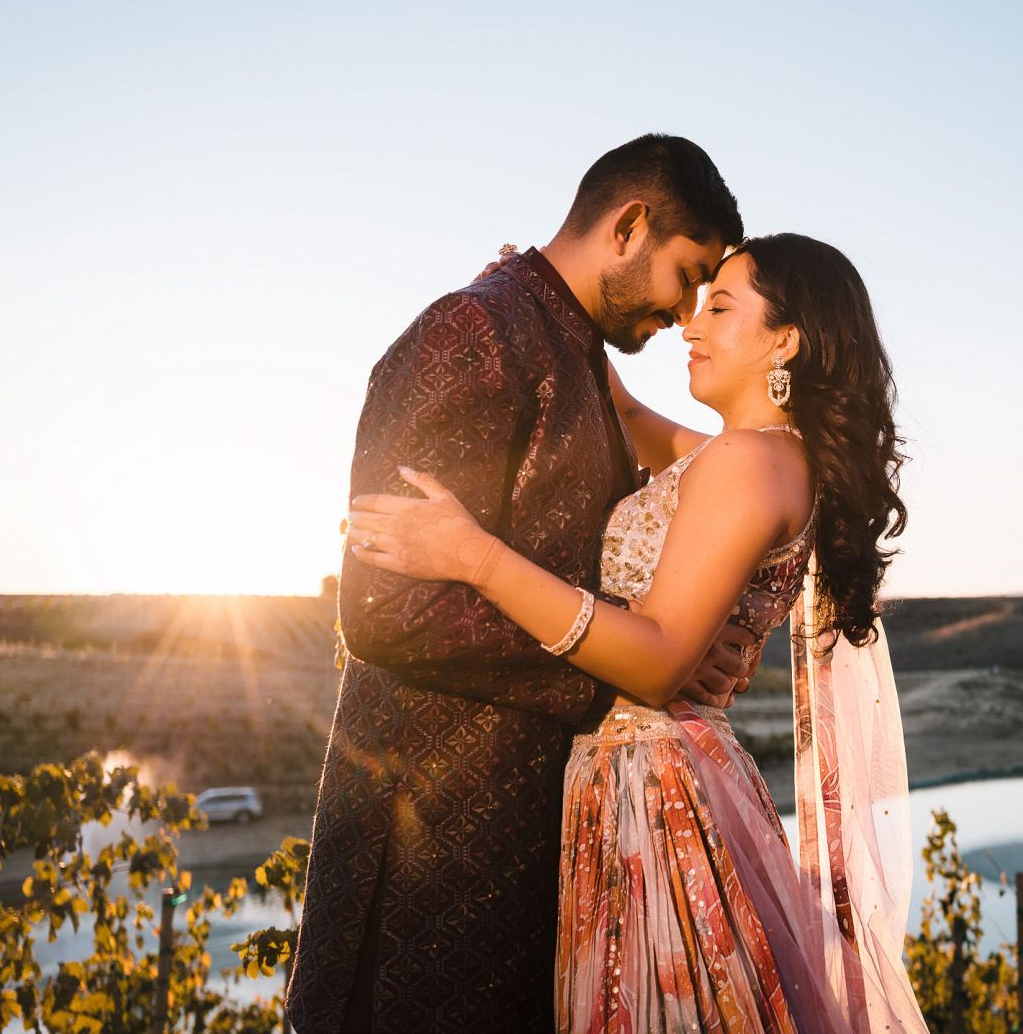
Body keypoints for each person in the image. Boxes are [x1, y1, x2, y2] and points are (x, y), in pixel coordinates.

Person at [347, 233, 929, 1032]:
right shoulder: (751, 458)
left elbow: (656, 661)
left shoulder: (748, 466)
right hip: (664, 772)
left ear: (786, 339)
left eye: (720, 307)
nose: (691, 326)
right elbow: (622, 409)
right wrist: (537, 290)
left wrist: (473, 556)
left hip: (653, 788)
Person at [288, 134, 763, 1031]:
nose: (688, 311)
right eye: (688, 274)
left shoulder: (579, 354)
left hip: (530, 846)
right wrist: (620, 671)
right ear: (629, 226)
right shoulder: (474, 331)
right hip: (424, 850)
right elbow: (386, 608)